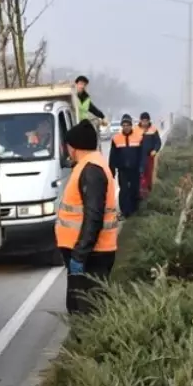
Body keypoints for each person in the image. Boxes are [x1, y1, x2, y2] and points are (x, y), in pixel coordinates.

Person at [56, 120, 118, 315]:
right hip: (88, 252)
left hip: (91, 255)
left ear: (73, 147)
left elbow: (94, 216)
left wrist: (79, 254)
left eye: (68, 146)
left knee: (88, 310)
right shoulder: (88, 165)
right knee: (78, 305)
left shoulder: (91, 170)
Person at [108, 113, 145, 217]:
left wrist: (141, 166)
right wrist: (112, 170)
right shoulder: (116, 139)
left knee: (134, 189)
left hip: (135, 169)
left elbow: (142, 154)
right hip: (123, 170)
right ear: (122, 126)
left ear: (131, 125)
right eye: (124, 125)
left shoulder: (138, 137)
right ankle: (125, 212)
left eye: (127, 125)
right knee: (124, 190)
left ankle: (134, 210)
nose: (126, 127)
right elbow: (113, 156)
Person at [137, 111, 162, 199]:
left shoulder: (153, 130)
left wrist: (155, 150)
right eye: (143, 121)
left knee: (149, 175)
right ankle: (140, 194)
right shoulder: (136, 130)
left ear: (148, 121)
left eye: (146, 121)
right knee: (140, 175)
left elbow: (158, 142)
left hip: (149, 157)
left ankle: (149, 192)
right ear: (140, 121)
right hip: (138, 157)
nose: (144, 123)